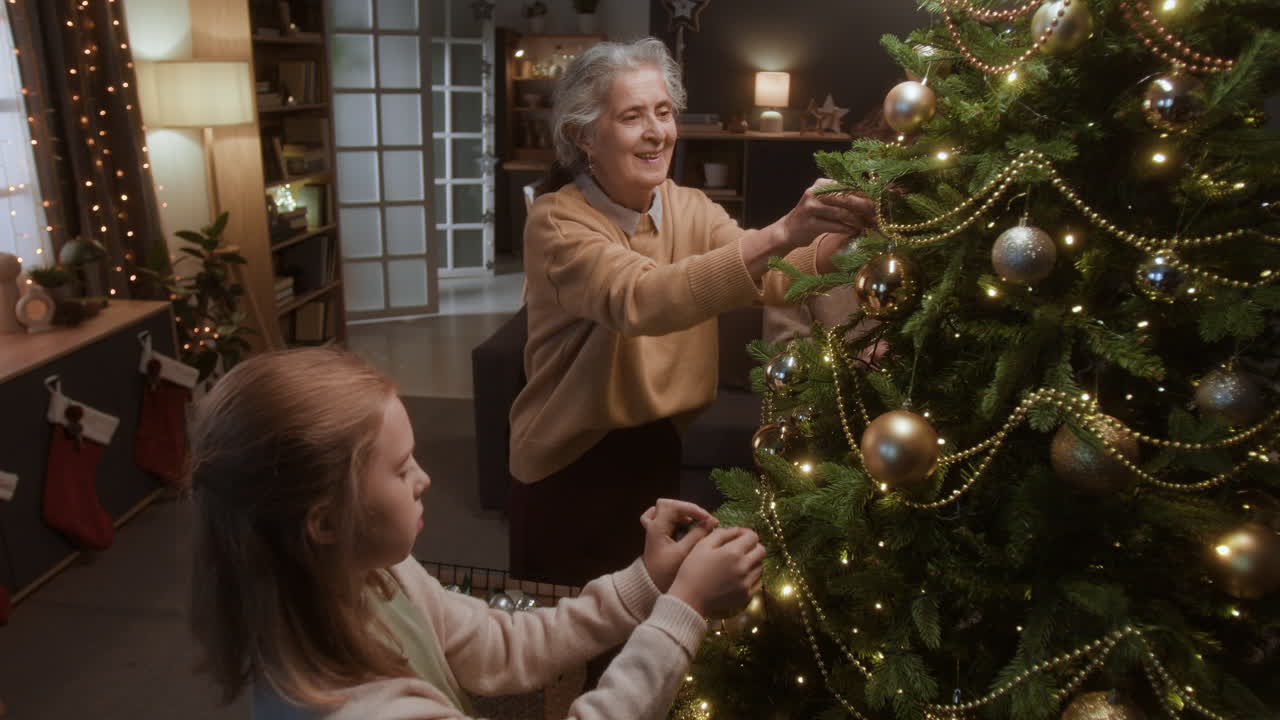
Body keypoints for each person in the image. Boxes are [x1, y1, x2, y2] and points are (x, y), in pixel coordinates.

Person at [187, 348, 765, 719]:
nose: (425, 478)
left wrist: (647, 583)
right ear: (326, 521)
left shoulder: (373, 576)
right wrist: (683, 610)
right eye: (401, 467)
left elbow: (502, 646)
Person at [509, 37, 878, 586]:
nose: (657, 132)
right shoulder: (558, 223)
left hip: (656, 444)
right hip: (569, 462)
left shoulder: (689, 205)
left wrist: (844, 234)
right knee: (568, 641)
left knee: (641, 631)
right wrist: (781, 231)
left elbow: (774, 275)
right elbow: (643, 299)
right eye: (632, 116)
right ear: (583, 135)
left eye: (663, 112)